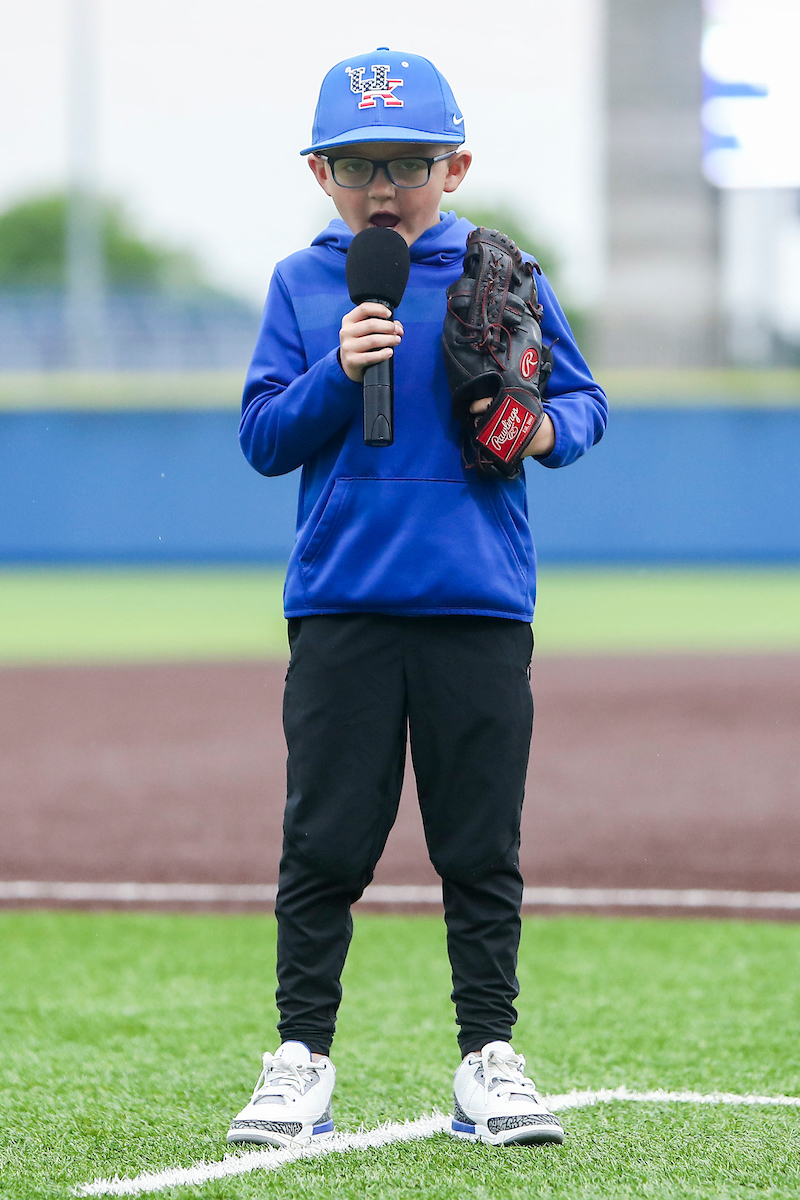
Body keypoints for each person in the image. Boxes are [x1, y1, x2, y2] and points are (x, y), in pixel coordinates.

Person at [227, 47, 607, 1150]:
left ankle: (487, 1058)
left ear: (456, 164)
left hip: (475, 605)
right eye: (355, 165)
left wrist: (539, 427)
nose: (381, 186)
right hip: (343, 601)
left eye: (406, 162)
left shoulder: (505, 271)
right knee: (326, 843)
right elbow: (261, 438)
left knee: (478, 844)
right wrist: (335, 373)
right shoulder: (304, 285)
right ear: (318, 173)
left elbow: (580, 408)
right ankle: (300, 1058)